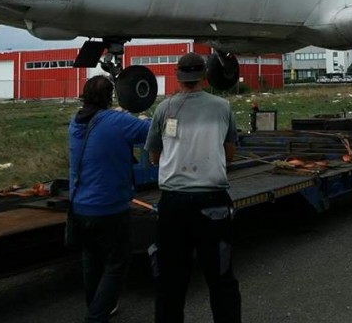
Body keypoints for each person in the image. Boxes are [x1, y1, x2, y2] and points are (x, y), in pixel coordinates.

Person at [145, 52, 242, 323]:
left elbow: (153, 155)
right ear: (205, 75)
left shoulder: (164, 109)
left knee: (170, 282)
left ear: (177, 75)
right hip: (213, 203)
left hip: (173, 203)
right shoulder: (222, 107)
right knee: (221, 278)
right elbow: (230, 152)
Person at [68, 75, 151, 323]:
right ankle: (97, 315)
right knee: (117, 263)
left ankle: (96, 305)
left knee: (91, 260)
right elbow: (151, 131)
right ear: (109, 97)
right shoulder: (118, 121)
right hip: (110, 207)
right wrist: (142, 118)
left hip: (80, 205)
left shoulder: (76, 121)